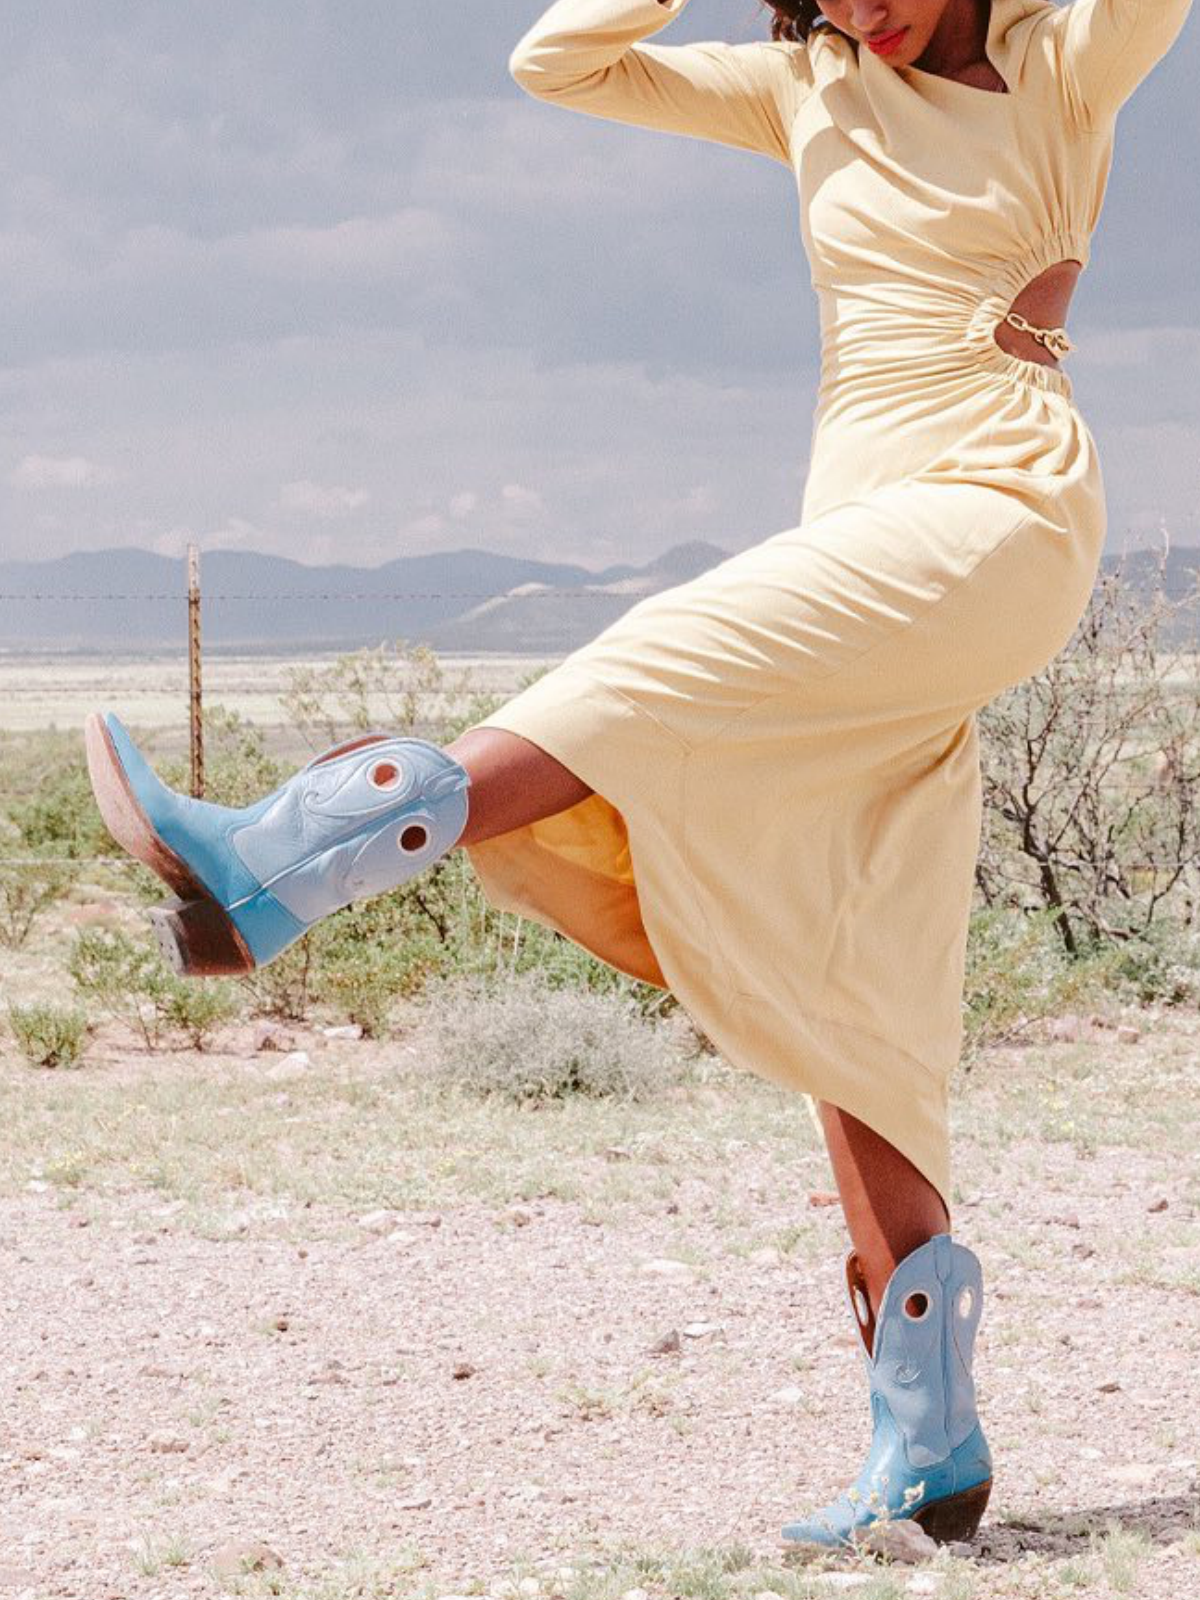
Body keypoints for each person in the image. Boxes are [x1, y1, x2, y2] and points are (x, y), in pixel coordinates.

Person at [85, 0, 1194, 1556]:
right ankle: (928, 1448)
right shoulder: (806, 89)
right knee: (849, 963)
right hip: (854, 539)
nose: (860, 16)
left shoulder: (1063, 67)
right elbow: (563, 61)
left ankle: (289, 859)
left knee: (656, 656)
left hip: (995, 515)